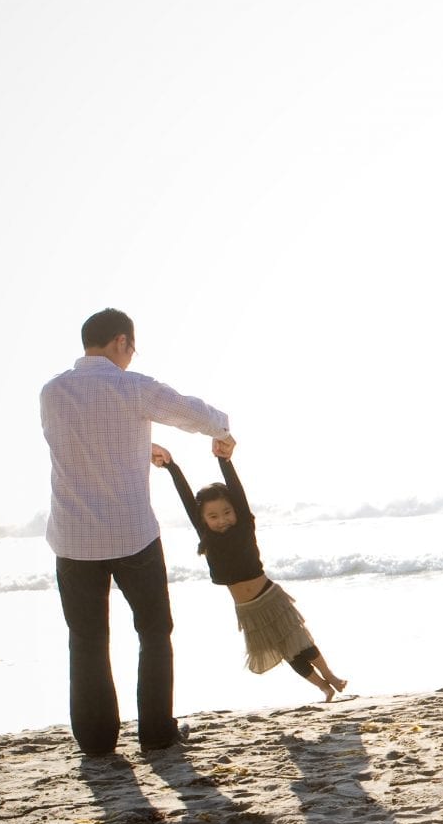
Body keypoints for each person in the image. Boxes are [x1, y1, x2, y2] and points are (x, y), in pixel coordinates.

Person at [41, 308, 234, 755]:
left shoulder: (52, 392)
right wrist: (222, 429)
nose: (131, 356)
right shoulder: (133, 387)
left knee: (87, 641)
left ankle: (96, 742)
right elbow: (188, 411)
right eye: (132, 348)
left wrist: (139, 444)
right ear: (121, 341)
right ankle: (156, 734)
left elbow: (78, 440)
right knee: (154, 631)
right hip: (132, 537)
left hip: (73, 539)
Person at [153, 442, 348, 701]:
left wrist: (223, 460)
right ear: (203, 519)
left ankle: (331, 676)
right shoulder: (206, 536)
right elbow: (187, 499)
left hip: (270, 597)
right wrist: (171, 467)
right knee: (286, 652)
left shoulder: (244, 525)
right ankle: (323, 687)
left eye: (227, 512)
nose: (222, 519)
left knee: (299, 641)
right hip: (248, 610)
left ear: (236, 511)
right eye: (213, 516)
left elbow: (236, 489)